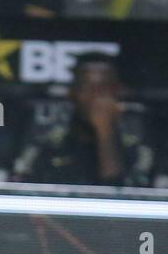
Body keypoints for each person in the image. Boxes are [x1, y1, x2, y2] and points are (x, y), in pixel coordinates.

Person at [10, 53, 153, 187]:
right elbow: (21, 194)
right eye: (87, 86)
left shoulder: (136, 150)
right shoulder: (46, 147)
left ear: (118, 93)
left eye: (104, 88)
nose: (95, 96)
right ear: (72, 93)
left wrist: (105, 129)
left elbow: (121, 199)